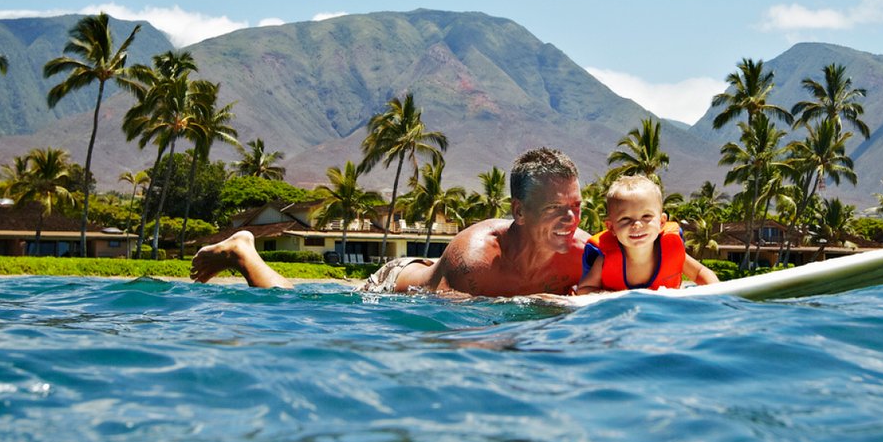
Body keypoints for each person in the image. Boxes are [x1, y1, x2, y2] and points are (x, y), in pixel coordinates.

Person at [191, 147, 589, 298]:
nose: (570, 219)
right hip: (395, 286)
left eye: (576, 206)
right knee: (291, 301)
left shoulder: (585, 253)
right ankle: (244, 250)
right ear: (519, 211)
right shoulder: (476, 261)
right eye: (556, 208)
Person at [575, 174, 719, 293]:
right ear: (611, 227)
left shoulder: (672, 251)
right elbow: (585, 289)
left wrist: (718, 294)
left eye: (646, 217)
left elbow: (700, 272)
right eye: (625, 219)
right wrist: (608, 297)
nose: (637, 225)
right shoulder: (604, 260)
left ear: (662, 222)